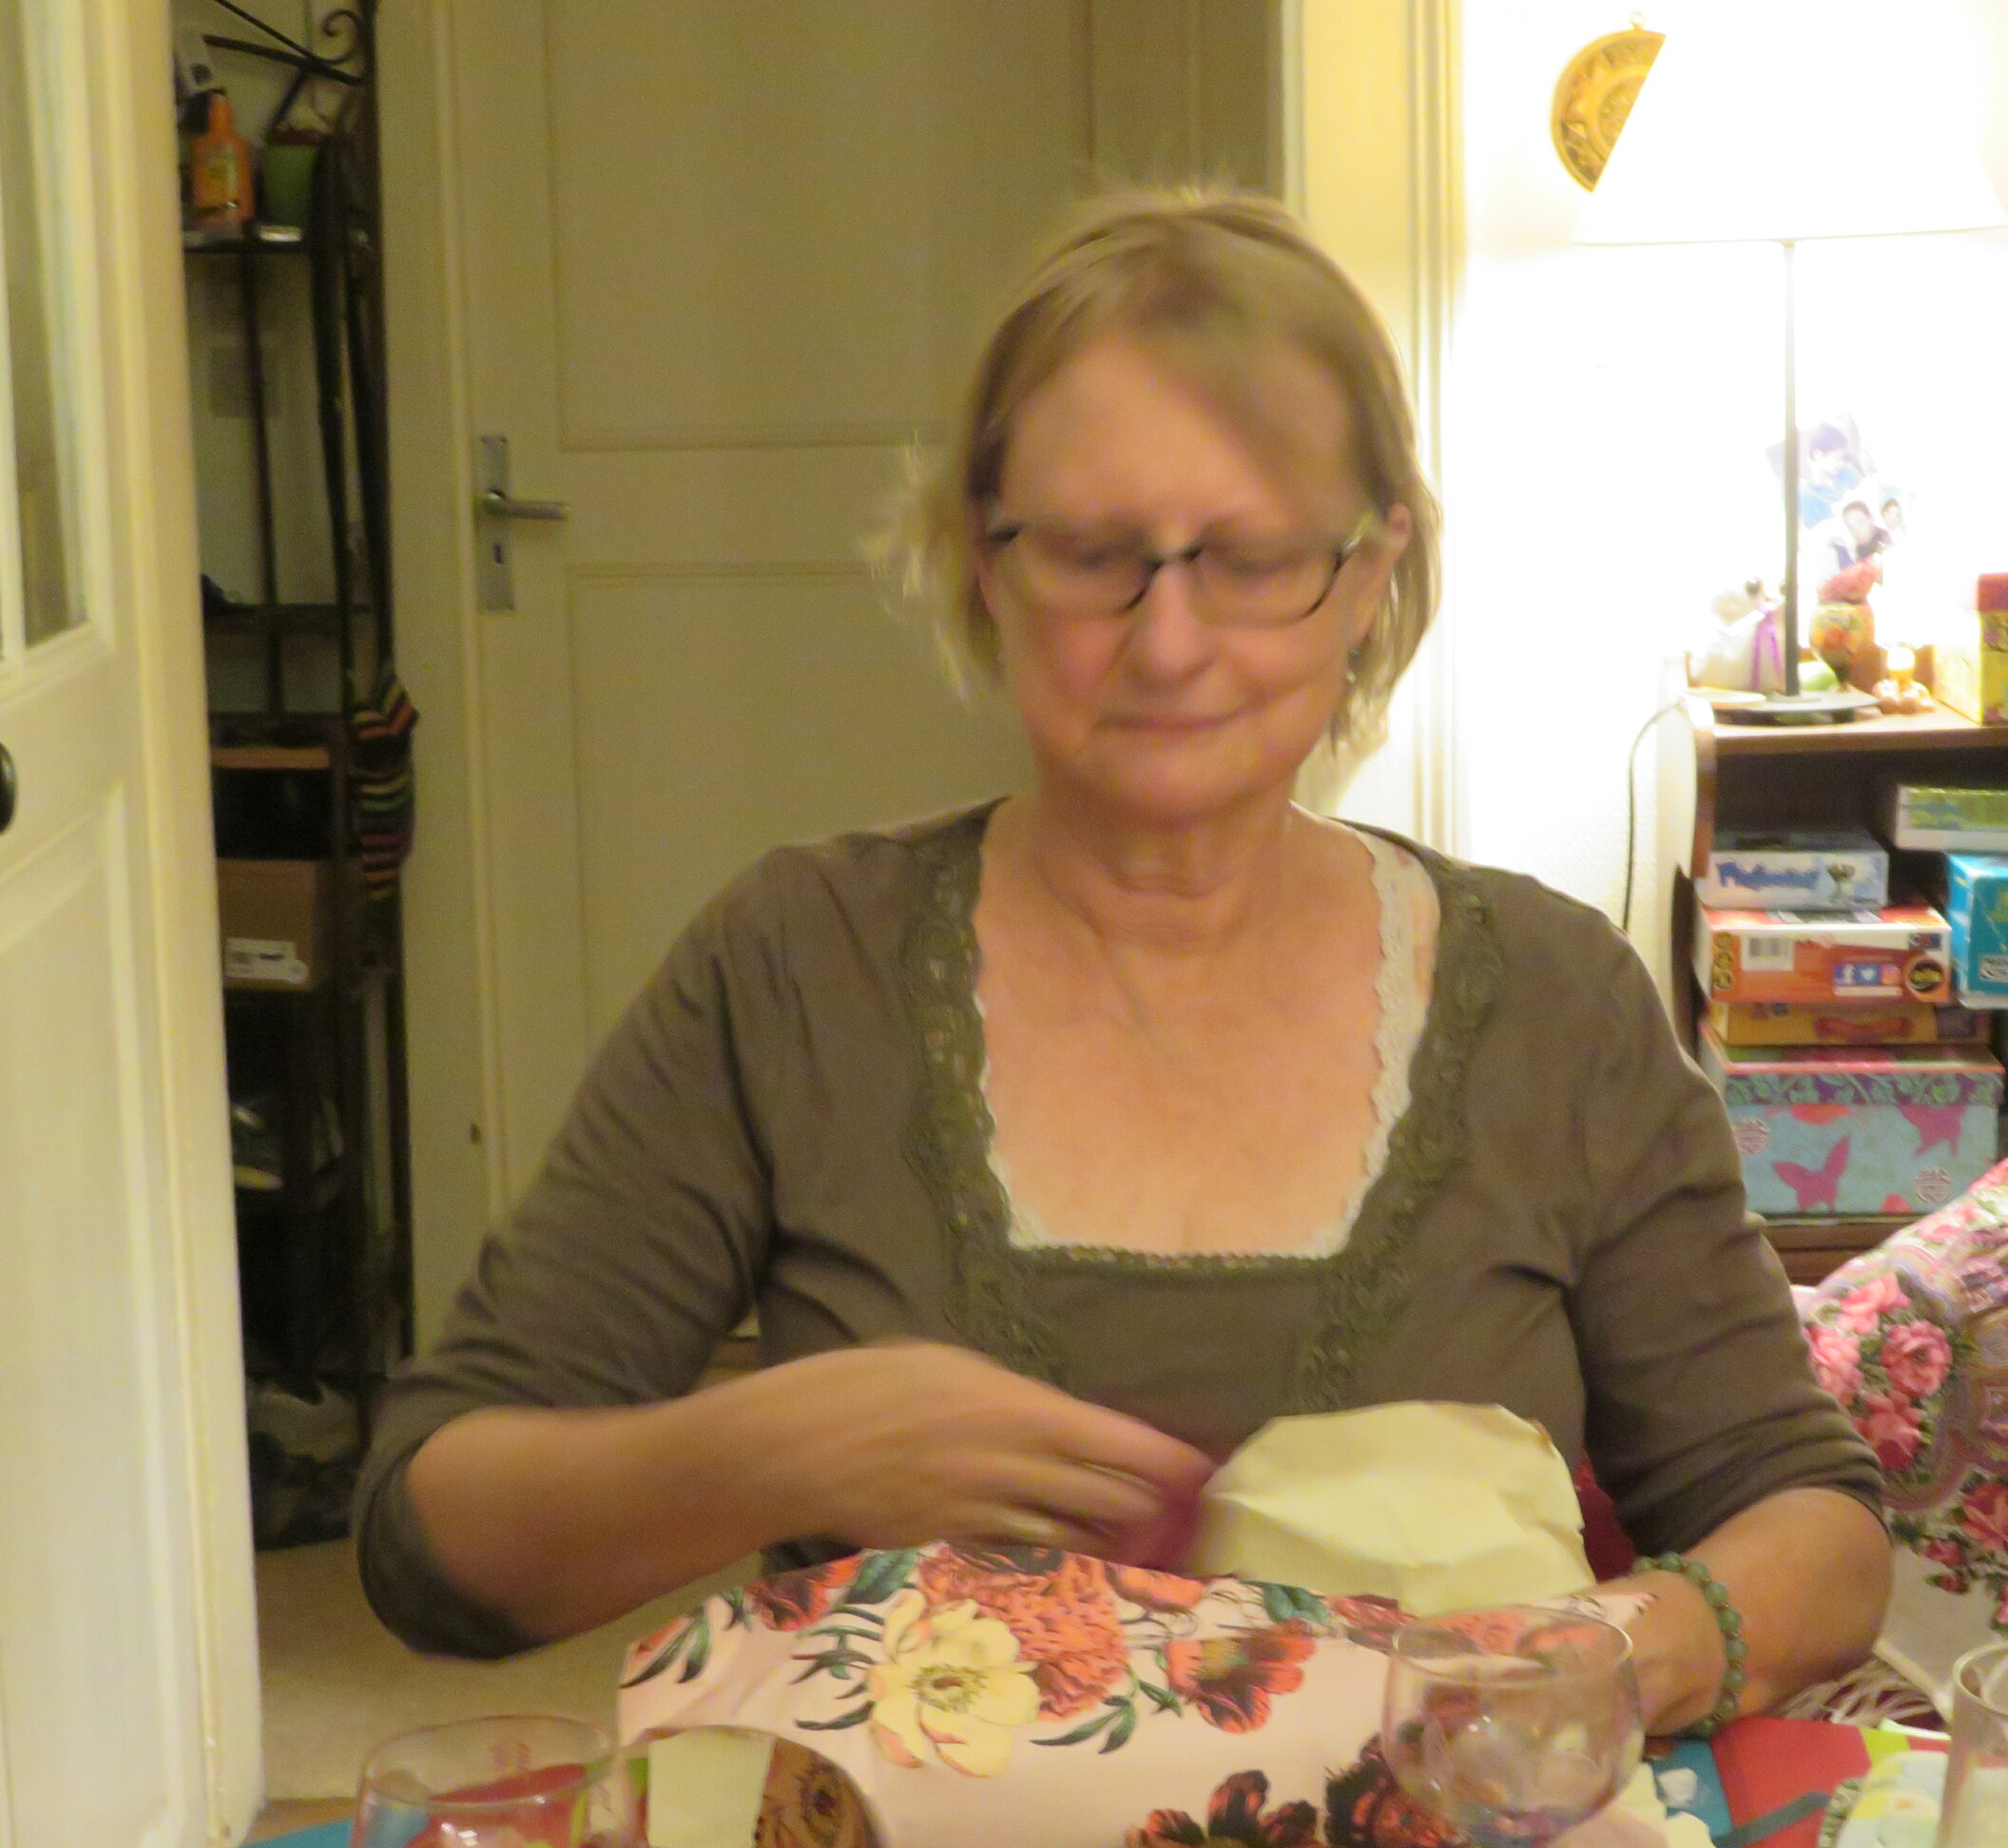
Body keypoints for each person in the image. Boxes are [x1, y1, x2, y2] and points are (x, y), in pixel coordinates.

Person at [357, 190, 1889, 1735]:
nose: (1167, 644)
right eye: (1094, 555)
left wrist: (1629, 1650)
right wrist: (771, 1448)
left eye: (1252, 559)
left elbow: (1811, 1525)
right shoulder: (797, 967)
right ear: (983, 561)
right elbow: (432, 1541)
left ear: (1370, 573)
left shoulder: (1553, 1001)